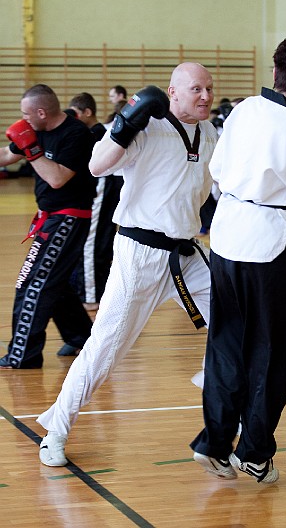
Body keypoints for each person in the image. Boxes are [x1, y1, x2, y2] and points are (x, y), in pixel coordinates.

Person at [36, 62, 218, 466]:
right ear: (172, 92)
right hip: (140, 255)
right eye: (196, 89)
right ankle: (56, 431)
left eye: (209, 87)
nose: (205, 95)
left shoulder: (209, 133)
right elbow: (96, 166)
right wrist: (125, 123)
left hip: (186, 255)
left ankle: (214, 380)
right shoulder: (148, 126)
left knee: (239, 312)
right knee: (105, 348)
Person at [190, 37, 286, 483]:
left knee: (226, 344)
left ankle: (215, 443)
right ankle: (255, 452)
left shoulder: (243, 110)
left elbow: (217, 170)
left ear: (274, 72)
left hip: (227, 236)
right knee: (279, 351)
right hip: (270, 247)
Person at [0, 84, 96, 369]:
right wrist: (27, 144)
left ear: (41, 112)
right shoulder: (35, 130)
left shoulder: (76, 135)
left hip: (68, 218)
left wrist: (31, 149)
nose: (23, 119)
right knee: (56, 281)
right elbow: (6, 155)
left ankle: (23, 355)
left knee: (32, 281)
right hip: (49, 217)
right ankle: (82, 338)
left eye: (26, 114)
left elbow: (56, 178)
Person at [66, 92, 123, 317]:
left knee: (92, 243)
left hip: (101, 190)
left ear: (87, 112)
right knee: (98, 243)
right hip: (99, 191)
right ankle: (99, 292)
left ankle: (91, 297)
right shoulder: (92, 133)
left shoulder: (98, 134)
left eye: (76, 114)